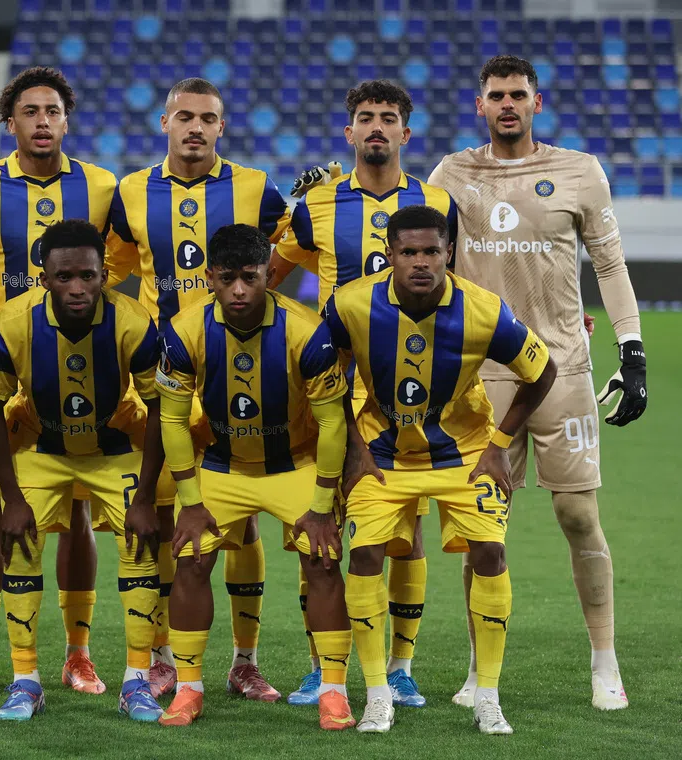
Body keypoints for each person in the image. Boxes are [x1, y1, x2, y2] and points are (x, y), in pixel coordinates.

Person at [428, 55, 646, 712]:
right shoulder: (452, 173)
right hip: (478, 379)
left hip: (562, 370)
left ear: (537, 103)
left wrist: (631, 349)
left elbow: (609, 263)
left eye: (518, 95)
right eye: (496, 96)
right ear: (480, 106)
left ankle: (605, 661)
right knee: (482, 528)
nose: (507, 105)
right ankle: (477, 669)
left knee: (578, 515)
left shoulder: (579, 171)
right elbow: (413, 246)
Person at [105, 78, 306, 701]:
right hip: (161, 376)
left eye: (208, 118)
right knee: (165, 517)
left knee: (239, 522)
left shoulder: (254, 187)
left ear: (222, 127)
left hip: (238, 370)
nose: (195, 127)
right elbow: (111, 267)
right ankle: (162, 655)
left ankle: (243, 661)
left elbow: (298, 241)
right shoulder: (131, 191)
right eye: (185, 116)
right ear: (164, 122)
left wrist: (269, 286)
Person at [324, 204, 556, 734]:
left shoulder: (483, 310)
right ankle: (378, 693)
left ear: (449, 252)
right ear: (390, 255)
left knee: (491, 553)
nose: (421, 262)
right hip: (381, 456)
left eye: (432, 251)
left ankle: (488, 695)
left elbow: (543, 371)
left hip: (464, 454)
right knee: (363, 556)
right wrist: (354, 446)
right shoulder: (352, 305)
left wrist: (499, 444)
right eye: (409, 252)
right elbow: (324, 375)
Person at [268, 80, 457, 707]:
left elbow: (460, 286)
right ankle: (324, 665)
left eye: (389, 118)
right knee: (318, 521)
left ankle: (400, 666)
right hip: (326, 385)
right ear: (348, 133)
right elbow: (267, 276)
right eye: (365, 118)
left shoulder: (436, 200)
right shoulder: (315, 203)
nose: (377, 127)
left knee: (406, 524)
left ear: (407, 132)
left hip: (408, 388)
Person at [0, 67, 117, 695]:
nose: (42, 121)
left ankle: (77, 652)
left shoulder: (101, 188)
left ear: (66, 121)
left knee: (74, 513)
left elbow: (119, 259)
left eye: (52, 110)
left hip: (76, 374)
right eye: (29, 111)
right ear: (9, 122)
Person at [152, 224, 349, 728]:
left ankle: (333, 690)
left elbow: (332, 423)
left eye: (251, 278)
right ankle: (189, 690)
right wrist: (192, 502)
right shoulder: (183, 330)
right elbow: (172, 419)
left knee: (324, 562)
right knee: (191, 558)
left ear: (269, 275)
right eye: (228, 279)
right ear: (209, 277)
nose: (239, 290)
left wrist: (324, 505)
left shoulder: (306, 331)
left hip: (296, 463)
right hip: (223, 465)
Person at [0, 219, 164, 722]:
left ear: (105, 275)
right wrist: (12, 498)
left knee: (141, 541)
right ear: (44, 278)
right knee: (19, 540)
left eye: (87, 275)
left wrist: (144, 499)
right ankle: (26, 679)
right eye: (64, 277)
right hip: (43, 445)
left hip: (113, 447)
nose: (76, 288)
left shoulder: (134, 322)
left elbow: (161, 407)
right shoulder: (13, 321)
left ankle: (137, 681)